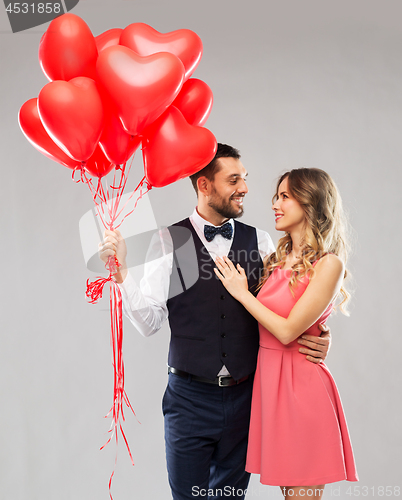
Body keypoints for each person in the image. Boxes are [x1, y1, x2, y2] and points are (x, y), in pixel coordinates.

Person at [99, 145, 332, 500]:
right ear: (204, 186)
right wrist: (122, 275)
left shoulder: (263, 241)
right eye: (233, 179)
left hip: (246, 397)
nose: (245, 188)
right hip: (189, 400)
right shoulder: (169, 240)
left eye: (245, 179)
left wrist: (322, 334)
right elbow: (149, 322)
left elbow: (292, 306)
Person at [214, 167, 358, 500]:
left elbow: (287, 330)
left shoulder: (329, 264)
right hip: (271, 389)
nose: (275, 204)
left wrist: (242, 292)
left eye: (285, 196)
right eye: (276, 196)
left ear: (310, 203)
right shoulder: (275, 261)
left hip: (301, 391)